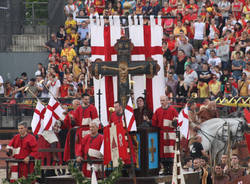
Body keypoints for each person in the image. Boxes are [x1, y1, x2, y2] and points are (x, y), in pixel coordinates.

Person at [152, 96, 178, 175]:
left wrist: (175, 122)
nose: (162, 102)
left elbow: (177, 121)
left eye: (163, 100)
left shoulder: (173, 110)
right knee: (162, 153)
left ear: (167, 101)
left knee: (170, 153)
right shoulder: (158, 111)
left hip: (170, 135)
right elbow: (154, 122)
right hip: (162, 135)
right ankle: (164, 169)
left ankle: (171, 170)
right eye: (161, 100)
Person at [73, 94, 99, 158]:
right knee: (80, 146)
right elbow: (75, 121)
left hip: (90, 130)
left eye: (88, 99)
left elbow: (95, 120)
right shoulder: (78, 108)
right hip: (81, 130)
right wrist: (72, 119)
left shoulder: (92, 108)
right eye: (85, 99)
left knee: (89, 146)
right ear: (82, 99)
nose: (87, 101)